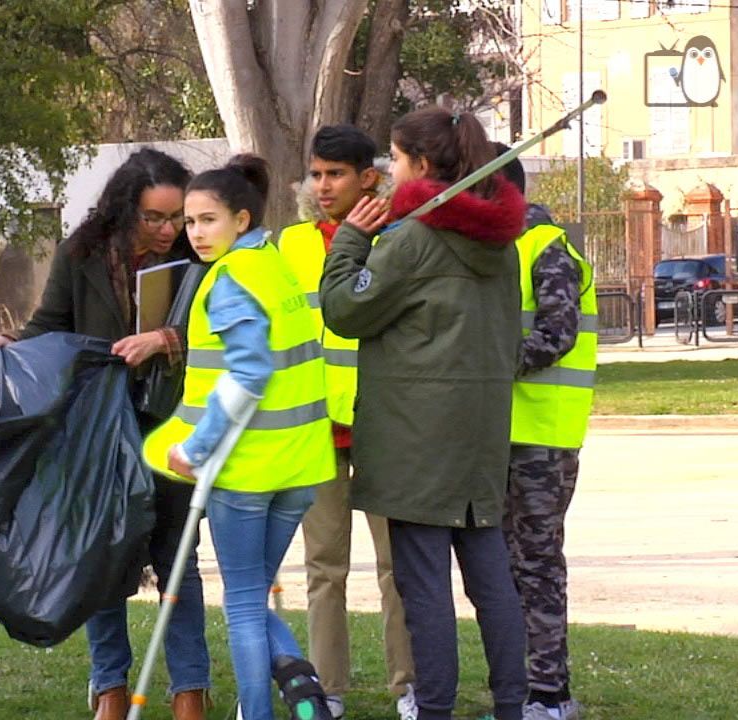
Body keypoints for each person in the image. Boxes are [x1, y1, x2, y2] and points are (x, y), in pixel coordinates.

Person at [0, 147, 212, 720]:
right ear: (125, 209)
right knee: (100, 554)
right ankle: (109, 685)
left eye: (176, 216)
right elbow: (50, 324)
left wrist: (167, 339)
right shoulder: (81, 254)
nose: (168, 229)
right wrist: (12, 345)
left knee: (177, 556)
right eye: (154, 217)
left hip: (172, 425)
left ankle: (190, 689)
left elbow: (219, 330)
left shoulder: (200, 254)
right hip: (98, 428)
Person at [319, 107, 529, 720]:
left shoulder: (412, 240)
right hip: (479, 435)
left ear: (422, 163)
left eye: (395, 158)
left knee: (424, 586)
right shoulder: (502, 247)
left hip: (417, 442)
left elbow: (345, 309)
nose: (390, 170)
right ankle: (512, 705)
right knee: (491, 581)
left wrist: (352, 239)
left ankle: (434, 707)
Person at [143, 154, 337, 720]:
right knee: (254, 594)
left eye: (209, 220)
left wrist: (194, 448)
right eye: (190, 221)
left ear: (242, 220)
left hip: (249, 469)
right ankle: (305, 693)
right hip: (300, 466)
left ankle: (261, 710)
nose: (196, 233)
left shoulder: (229, 280)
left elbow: (249, 373)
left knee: (246, 605)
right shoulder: (275, 266)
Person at [278, 125, 417, 720]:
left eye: (335, 174)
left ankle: (410, 688)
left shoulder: (401, 236)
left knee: (399, 568)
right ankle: (327, 690)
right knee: (323, 567)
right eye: (316, 174)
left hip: (385, 425)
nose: (323, 185)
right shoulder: (291, 244)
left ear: (369, 178)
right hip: (316, 427)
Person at [495, 145, 596, 720]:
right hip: (504, 433)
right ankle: (519, 691)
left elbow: (555, 335)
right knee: (504, 568)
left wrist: (484, 363)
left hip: (542, 438)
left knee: (536, 566)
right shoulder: (503, 248)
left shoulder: (545, 247)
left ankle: (550, 694)